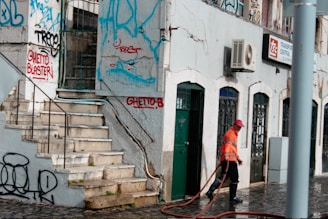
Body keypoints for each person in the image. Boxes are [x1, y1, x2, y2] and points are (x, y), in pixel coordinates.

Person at [205, 119, 244, 204]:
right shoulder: (231, 134)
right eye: (239, 127)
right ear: (235, 125)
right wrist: (226, 156)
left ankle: (210, 191)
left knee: (223, 177)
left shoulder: (233, 134)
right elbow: (228, 146)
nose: (240, 128)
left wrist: (238, 158)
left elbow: (233, 149)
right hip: (229, 160)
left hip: (229, 159)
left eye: (241, 127)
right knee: (235, 178)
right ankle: (233, 197)